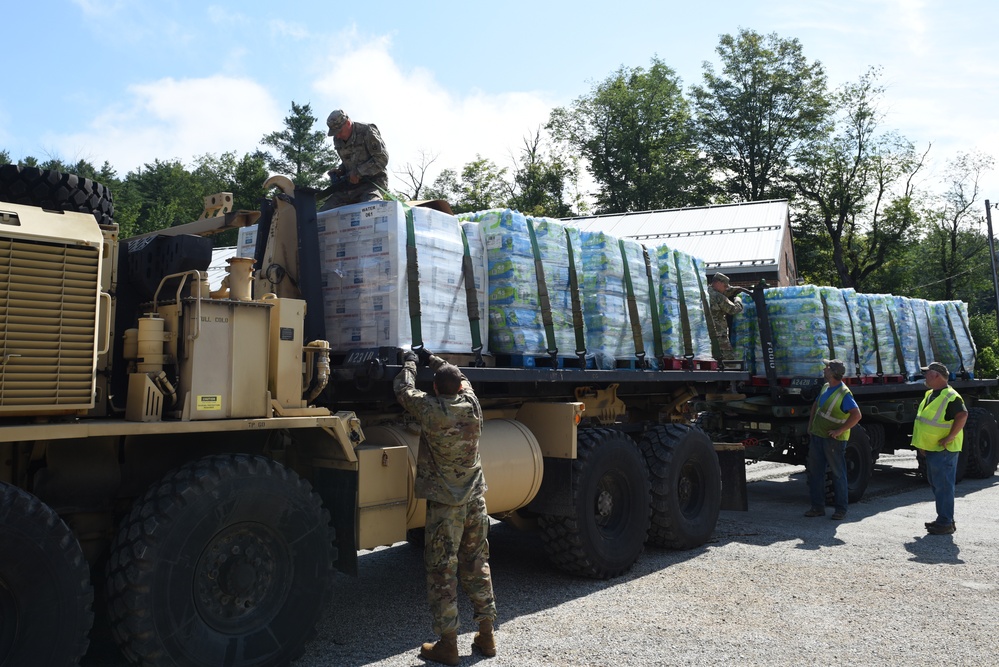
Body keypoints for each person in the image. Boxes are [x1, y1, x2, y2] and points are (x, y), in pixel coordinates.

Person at [393, 347, 497, 665]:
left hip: (446, 504)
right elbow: (463, 378)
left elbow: (403, 390)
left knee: (442, 570)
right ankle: (486, 634)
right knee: (477, 562)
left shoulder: (432, 410)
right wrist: (436, 359)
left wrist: (411, 361)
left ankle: (448, 644)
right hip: (475, 499)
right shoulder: (472, 404)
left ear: (436, 389)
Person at [911, 361, 968, 535]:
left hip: (944, 449)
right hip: (933, 448)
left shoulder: (951, 396)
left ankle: (945, 522)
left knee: (943, 486)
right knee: (938, 484)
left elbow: (963, 415)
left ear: (936, 375)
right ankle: (945, 519)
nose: (925, 376)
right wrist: (922, 445)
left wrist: (950, 437)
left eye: (927, 373)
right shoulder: (931, 394)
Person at [804, 359, 862, 520]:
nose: (824, 369)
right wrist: (810, 425)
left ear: (833, 372)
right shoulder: (825, 387)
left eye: (827, 367)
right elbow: (816, 406)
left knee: (838, 474)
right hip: (818, 435)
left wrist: (839, 430)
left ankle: (841, 510)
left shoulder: (844, 393)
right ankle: (817, 507)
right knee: (815, 473)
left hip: (833, 440)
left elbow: (856, 415)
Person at [320, 109, 389, 211]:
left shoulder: (367, 131)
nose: (337, 135)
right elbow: (349, 160)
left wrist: (359, 172)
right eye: (335, 133)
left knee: (369, 209)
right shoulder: (338, 139)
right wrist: (340, 170)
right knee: (324, 213)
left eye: (339, 131)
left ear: (348, 123)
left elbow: (382, 158)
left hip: (372, 184)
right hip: (350, 187)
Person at [708, 272, 745, 365]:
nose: (725, 288)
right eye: (725, 286)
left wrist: (733, 289)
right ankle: (729, 379)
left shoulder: (707, 291)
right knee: (729, 361)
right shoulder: (718, 296)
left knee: (713, 361)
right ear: (718, 283)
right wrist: (738, 300)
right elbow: (734, 309)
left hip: (708, 335)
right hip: (719, 335)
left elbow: (726, 291)